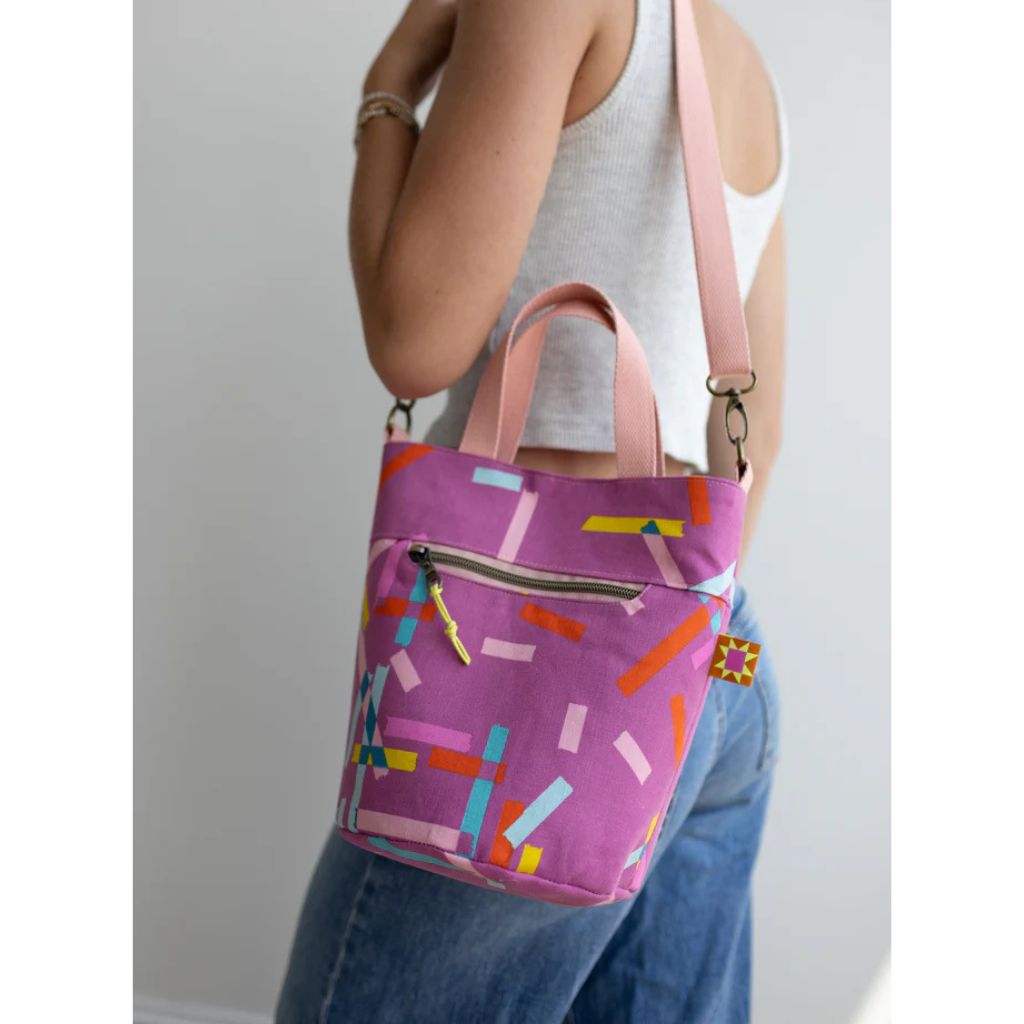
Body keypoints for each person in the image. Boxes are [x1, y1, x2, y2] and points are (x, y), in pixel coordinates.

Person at [277, 0, 785, 1020]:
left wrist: (391, 82)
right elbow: (754, 432)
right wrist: (679, 659)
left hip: (524, 687)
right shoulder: (740, 62)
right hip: (707, 673)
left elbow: (414, 343)